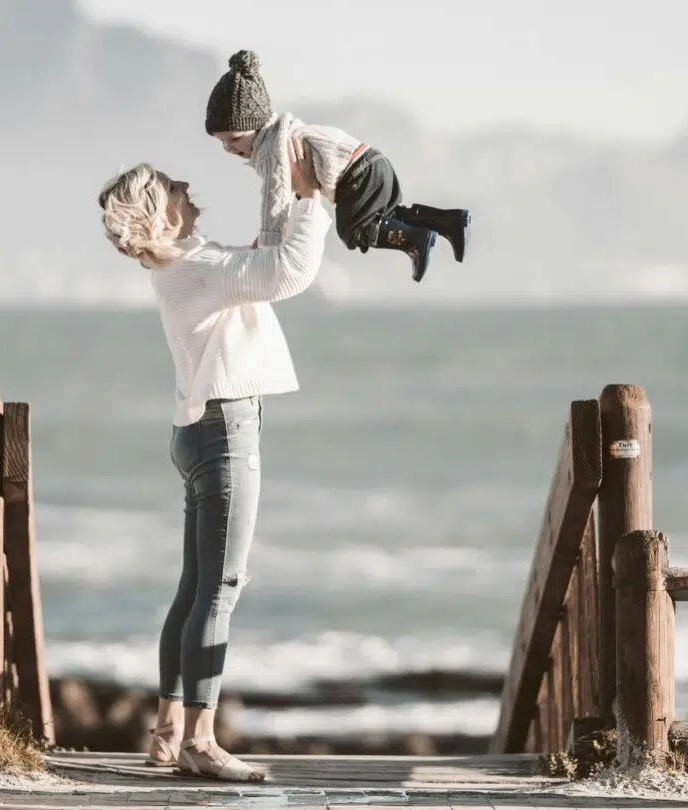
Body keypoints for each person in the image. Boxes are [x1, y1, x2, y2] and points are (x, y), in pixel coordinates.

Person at [96, 138, 330, 782]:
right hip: (226, 431)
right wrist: (312, 194)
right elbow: (289, 273)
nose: (187, 187)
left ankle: (170, 729)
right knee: (220, 590)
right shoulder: (197, 268)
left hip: (197, 432)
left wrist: (279, 188)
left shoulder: (185, 265)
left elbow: (259, 257)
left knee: (195, 589)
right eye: (174, 187)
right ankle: (202, 739)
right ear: (162, 215)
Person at [204, 49, 471, 283]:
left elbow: (274, 203)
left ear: (258, 125)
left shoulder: (273, 151)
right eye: (222, 142)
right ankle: (449, 222)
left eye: (235, 139)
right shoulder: (284, 132)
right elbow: (285, 202)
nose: (229, 148)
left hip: (356, 175)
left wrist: (265, 252)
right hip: (372, 163)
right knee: (389, 218)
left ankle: (415, 240)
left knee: (356, 232)